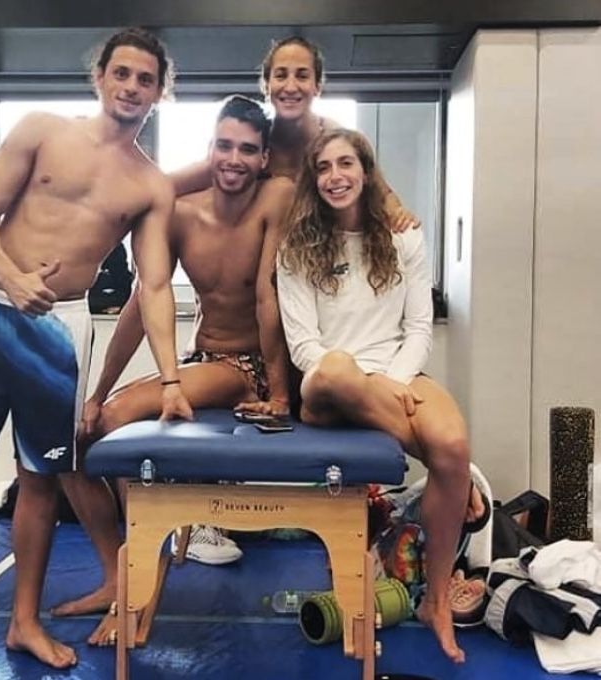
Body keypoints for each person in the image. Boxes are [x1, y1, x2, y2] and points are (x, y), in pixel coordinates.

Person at [0, 27, 193, 680]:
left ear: (160, 92)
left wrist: (172, 379)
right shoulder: (41, 130)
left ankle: (25, 622)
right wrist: (13, 278)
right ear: (99, 77)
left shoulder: (151, 185)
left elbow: (154, 286)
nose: (131, 87)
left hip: (60, 334)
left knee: (39, 484)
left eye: (145, 79)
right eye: (121, 73)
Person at [53, 95, 294, 639]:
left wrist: (280, 395)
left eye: (247, 150)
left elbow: (267, 298)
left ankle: (143, 569)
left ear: (264, 158)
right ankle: (118, 572)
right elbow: (142, 302)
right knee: (75, 438)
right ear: (209, 149)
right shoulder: (181, 213)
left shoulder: (275, 197)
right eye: (224, 146)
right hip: (200, 359)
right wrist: (97, 392)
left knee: (116, 421)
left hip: (249, 367)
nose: (234, 159)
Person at [276, 128, 472, 664]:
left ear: (366, 171)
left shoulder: (404, 237)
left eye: (346, 164)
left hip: (397, 376)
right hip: (326, 385)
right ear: (312, 180)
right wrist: (369, 381)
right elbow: (304, 348)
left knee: (454, 445)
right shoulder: (296, 248)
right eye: (323, 167)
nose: (335, 176)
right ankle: (452, 475)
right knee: (340, 369)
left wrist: (394, 380)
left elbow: (419, 329)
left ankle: (435, 600)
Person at [172, 36, 418, 232]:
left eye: (302, 76)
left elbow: (384, 196)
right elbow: (169, 185)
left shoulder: (336, 140)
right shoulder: (251, 145)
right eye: (281, 75)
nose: (290, 87)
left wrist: (401, 217)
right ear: (267, 86)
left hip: (320, 267)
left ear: (317, 86)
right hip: (261, 270)